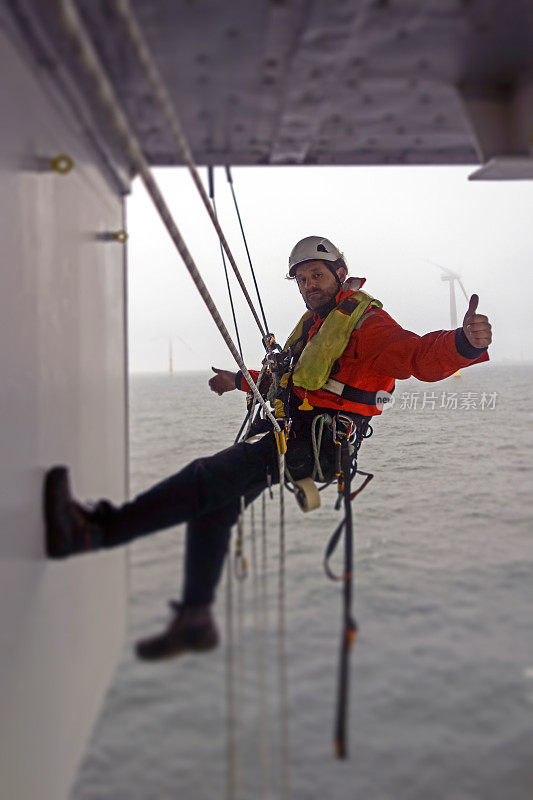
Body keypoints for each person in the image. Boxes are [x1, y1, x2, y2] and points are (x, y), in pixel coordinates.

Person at [44, 236, 492, 661]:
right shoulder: (319, 326)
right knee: (215, 506)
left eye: (316, 274)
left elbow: (416, 356)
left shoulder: (367, 325)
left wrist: (463, 344)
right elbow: (287, 379)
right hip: (286, 433)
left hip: (304, 442)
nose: (308, 285)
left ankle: (95, 532)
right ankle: (196, 618)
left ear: (339, 273)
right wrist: (236, 380)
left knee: (205, 479)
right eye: (301, 279)